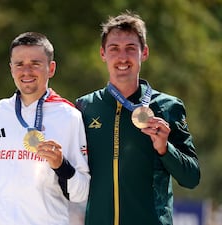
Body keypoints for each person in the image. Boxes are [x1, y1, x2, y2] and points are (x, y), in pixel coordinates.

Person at [75, 11, 201, 225]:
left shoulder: (169, 107)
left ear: (144, 53)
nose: (122, 57)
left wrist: (164, 148)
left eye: (131, 49)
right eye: (114, 48)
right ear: (103, 53)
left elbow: (191, 178)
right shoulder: (84, 107)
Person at [0, 32, 90, 225]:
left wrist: (61, 165)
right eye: (19, 64)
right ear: (11, 68)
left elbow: (82, 192)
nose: (26, 71)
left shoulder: (69, 116)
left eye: (35, 63)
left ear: (51, 68)